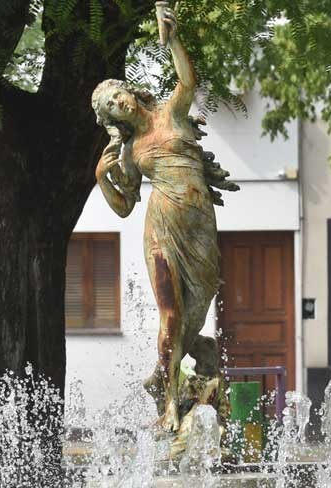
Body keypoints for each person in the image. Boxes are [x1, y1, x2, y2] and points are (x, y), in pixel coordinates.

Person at [91, 2, 238, 434]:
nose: (119, 104)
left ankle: (190, 360)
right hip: (161, 226)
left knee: (201, 300)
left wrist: (172, 40)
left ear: (131, 93)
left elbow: (187, 81)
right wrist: (104, 179)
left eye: (118, 96)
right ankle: (170, 404)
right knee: (170, 316)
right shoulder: (130, 152)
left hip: (198, 223)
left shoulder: (171, 114)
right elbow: (125, 206)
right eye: (111, 108)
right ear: (113, 119)